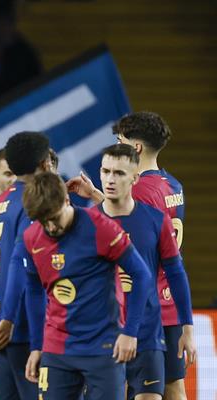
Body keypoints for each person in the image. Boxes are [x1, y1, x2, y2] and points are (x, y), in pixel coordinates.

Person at [67, 112, 191, 400]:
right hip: (168, 303)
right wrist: (98, 195)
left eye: (121, 141)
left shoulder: (141, 191)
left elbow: (127, 230)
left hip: (143, 307)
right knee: (173, 388)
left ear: (135, 148)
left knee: (120, 388)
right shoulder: (173, 184)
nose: (118, 147)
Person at [3, 172, 152, 400]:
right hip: (57, 348)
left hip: (103, 346)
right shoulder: (31, 237)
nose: (50, 227)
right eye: (43, 221)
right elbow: (34, 290)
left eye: (54, 217)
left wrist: (130, 332)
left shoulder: (101, 228)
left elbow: (141, 274)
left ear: (66, 201)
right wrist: (37, 345)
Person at [95, 144, 195, 400]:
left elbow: (173, 271)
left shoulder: (149, 209)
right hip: (107, 329)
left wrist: (188, 328)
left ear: (134, 178)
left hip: (150, 324)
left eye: (118, 173)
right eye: (105, 171)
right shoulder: (172, 184)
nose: (110, 178)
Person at [0, 132, 52, 400]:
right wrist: (11, 318)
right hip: (26, 327)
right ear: (44, 164)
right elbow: (25, 263)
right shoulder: (36, 204)